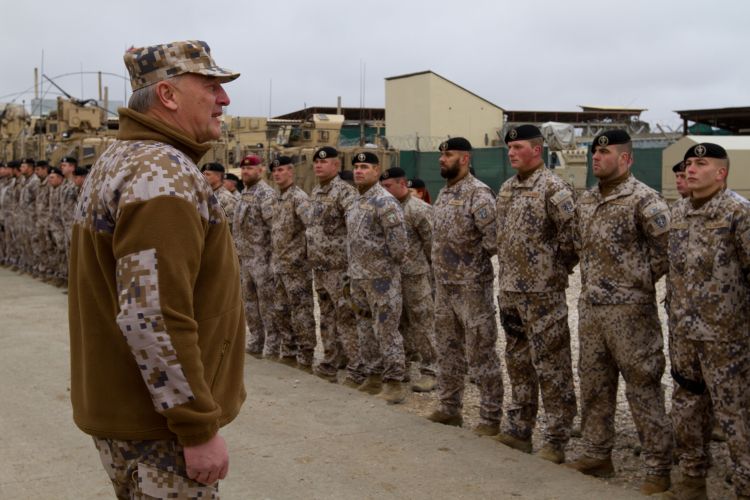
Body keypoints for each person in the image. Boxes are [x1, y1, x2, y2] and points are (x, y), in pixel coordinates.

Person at [68, 40, 245, 498]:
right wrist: (196, 427)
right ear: (168, 95)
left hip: (136, 413)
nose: (224, 99)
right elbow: (153, 315)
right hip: (158, 428)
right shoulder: (161, 173)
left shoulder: (121, 158)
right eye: (211, 87)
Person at [566, 130, 672, 495]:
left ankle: (658, 467)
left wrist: (634, 281)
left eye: (605, 152)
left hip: (631, 313)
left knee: (643, 386)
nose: (596, 157)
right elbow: (579, 245)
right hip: (592, 309)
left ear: (626, 159)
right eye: (594, 151)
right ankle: (597, 453)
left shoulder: (645, 200)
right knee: (594, 382)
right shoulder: (587, 199)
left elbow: (665, 252)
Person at [665, 143, 750, 500]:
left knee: (735, 413)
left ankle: (745, 485)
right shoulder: (678, 212)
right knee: (687, 406)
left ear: (721, 172)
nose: (691, 169)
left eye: (701, 163)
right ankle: (692, 480)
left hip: (726, 337)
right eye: (689, 163)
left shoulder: (738, 213)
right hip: (684, 333)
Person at [494, 125, 578, 463]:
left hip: (543, 293)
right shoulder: (506, 188)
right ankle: (520, 429)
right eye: (509, 147)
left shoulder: (555, 188)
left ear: (537, 150)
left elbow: (572, 239)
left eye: (518, 147)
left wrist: (554, 271)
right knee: (517, 361)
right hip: (510, 290)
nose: (511, 152)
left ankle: (557, 437)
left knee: (552, 365)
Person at [426, 137, 504, 435]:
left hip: (471, 289)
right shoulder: (445, 193)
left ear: (465, 158)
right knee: (447, 349)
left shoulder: (479, 194)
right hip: (444, 288)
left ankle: (490, 418)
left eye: (449, 154)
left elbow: (494, 241)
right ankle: (449, 408)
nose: (442, 159)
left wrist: (470, 266)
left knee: (481, 352)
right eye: (441, 155)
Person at [347, 152, 408, 403]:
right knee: (364, 329)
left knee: (386, 330)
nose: (359, 171)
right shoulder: (356, 200)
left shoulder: (385, 202)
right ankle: (372, 376)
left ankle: (394, 382)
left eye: (364, 167)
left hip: (382, 279)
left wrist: (383, 268)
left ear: (376, 170)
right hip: (358, 277)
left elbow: (400, 246)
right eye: (356, 167)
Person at [306, 146, 364, 384]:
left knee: (347, 318)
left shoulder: (345, 192)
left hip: (340, 269)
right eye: (316, 162)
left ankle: (357, 369)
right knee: (327, 317)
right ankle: (330, 362)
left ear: (336, 165)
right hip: (320, 268)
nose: (319, 165)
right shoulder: (316, 191)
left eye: (324, 162)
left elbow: (356, 228)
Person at [380, 167, 437, 392]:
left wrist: (434, 277)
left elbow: (432, 246)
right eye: (382, 187)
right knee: (398, 322)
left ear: (402, 184)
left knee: (422, 323)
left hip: (415, 276)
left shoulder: (419, 209)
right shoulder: (384, 208)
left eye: (388, 186)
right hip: (392, 276)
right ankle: (401, 366)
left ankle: (431, 370)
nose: (384, 191)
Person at [269, 155, 316, 372]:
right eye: (274, 171)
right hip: (279, 266)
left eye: (281, 170)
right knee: (280, 310)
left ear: (291, 171)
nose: (277, 174)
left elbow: (312, 229)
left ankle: (306, 356)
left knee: (301, 312)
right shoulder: (277, 198)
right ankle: (288, 351)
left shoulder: (299, 198)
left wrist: (304, 258)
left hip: (296, 268)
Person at [233, 153, 279, 358]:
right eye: (243, 168)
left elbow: (274, 229)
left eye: (250, 168)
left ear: (260, 170)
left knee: (267, 304)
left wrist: (273, 261)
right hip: (246, 259)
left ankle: (272, 344)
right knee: (250, 304)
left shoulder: (266, 194)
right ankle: (256, 340)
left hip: (262, 259)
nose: (245, 171)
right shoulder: (245, 193)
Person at [202, 162, 238, 232]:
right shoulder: (205, 194)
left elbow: (229, 227)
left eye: (208, 174)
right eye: (203, 174)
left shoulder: (228, 199)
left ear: (218, 177)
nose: (204, 176)